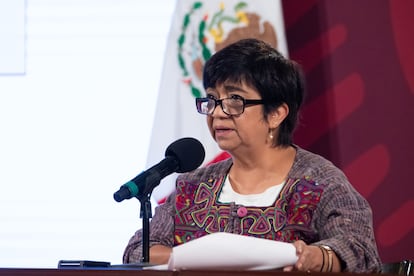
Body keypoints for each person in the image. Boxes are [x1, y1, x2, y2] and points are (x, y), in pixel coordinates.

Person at [123, 38, 382, 272]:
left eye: (235, 100)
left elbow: (359, 251)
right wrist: (191, 260)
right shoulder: (193, 186)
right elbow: (138, 251)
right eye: (212, 99)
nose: (217, 113)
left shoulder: (319, 182)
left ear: (276, 114)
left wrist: (317, 257)